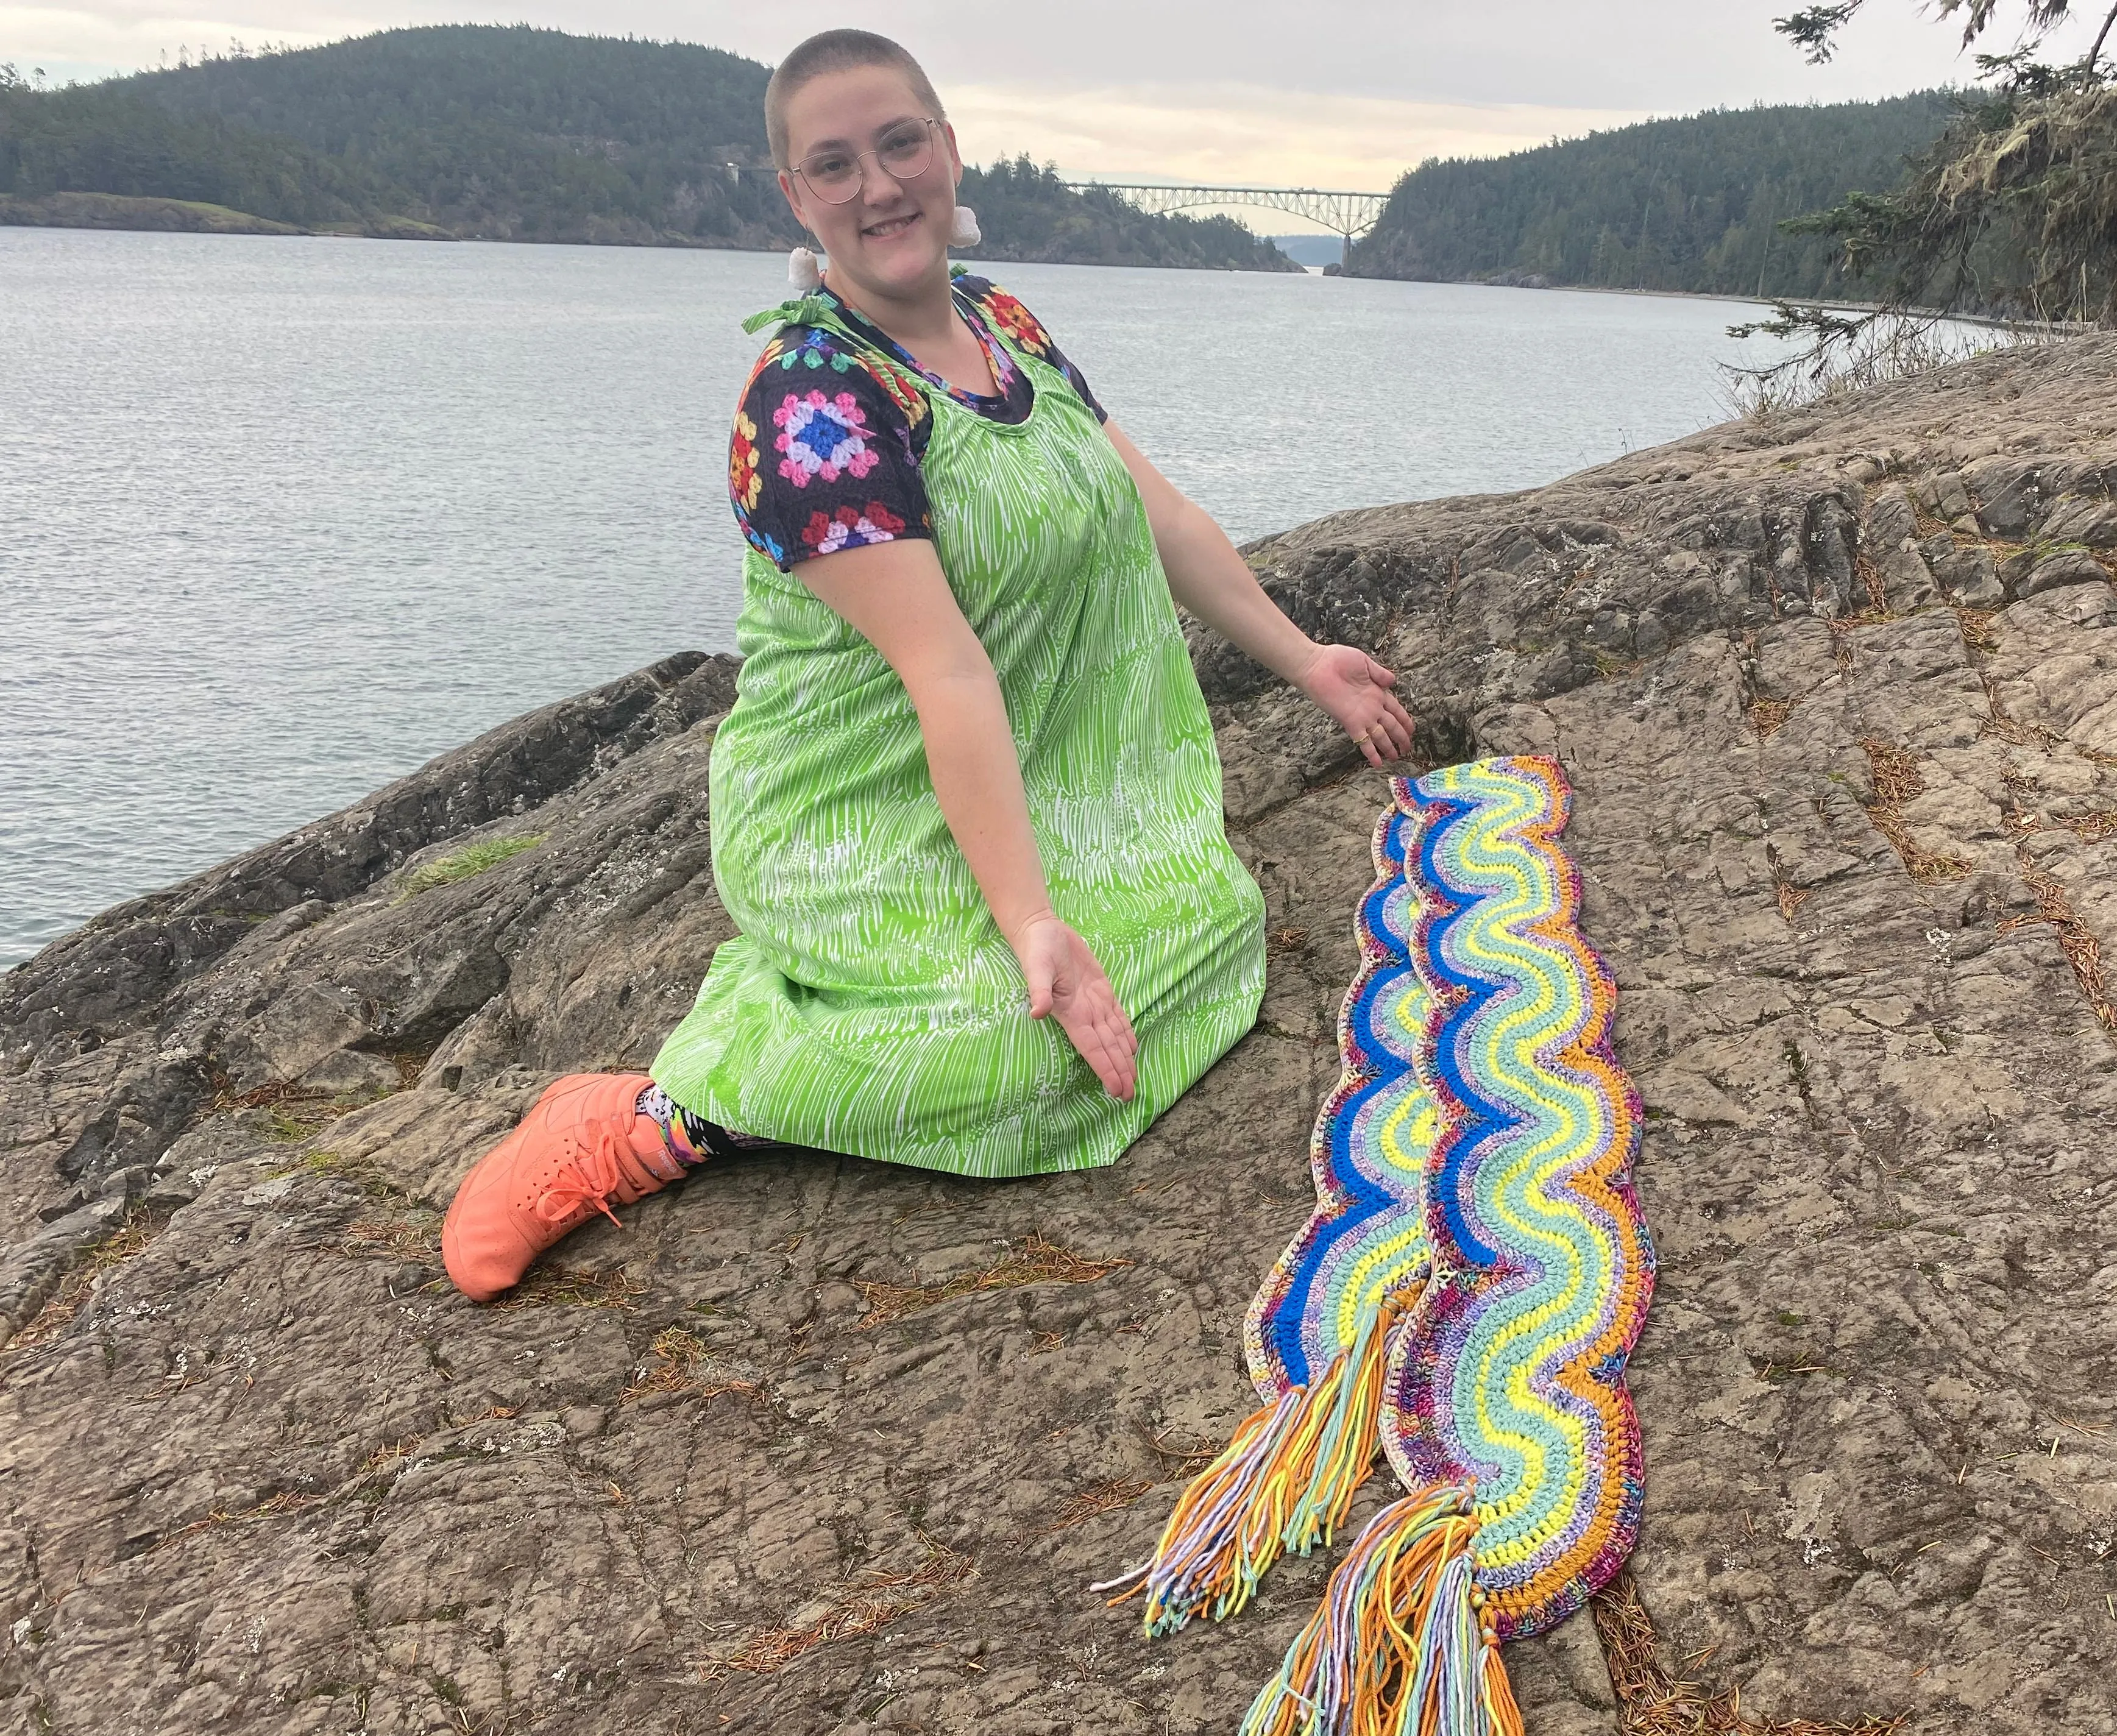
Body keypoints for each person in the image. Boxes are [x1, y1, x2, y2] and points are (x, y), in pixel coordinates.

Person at [440, 29, 1414, 1303]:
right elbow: (945, 673)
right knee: (1020, 1062)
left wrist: (1311, 666)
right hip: (860, 812)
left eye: (900, 143)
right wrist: (1030, 924)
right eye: (833, 164)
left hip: (1029, 783)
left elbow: (1158, 516)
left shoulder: (1003, 322)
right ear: (796, 198)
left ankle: (968, 959)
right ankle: (654, 1118)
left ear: (950, 150)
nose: (879, 184)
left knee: (1215, 924)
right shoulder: (812, 405)